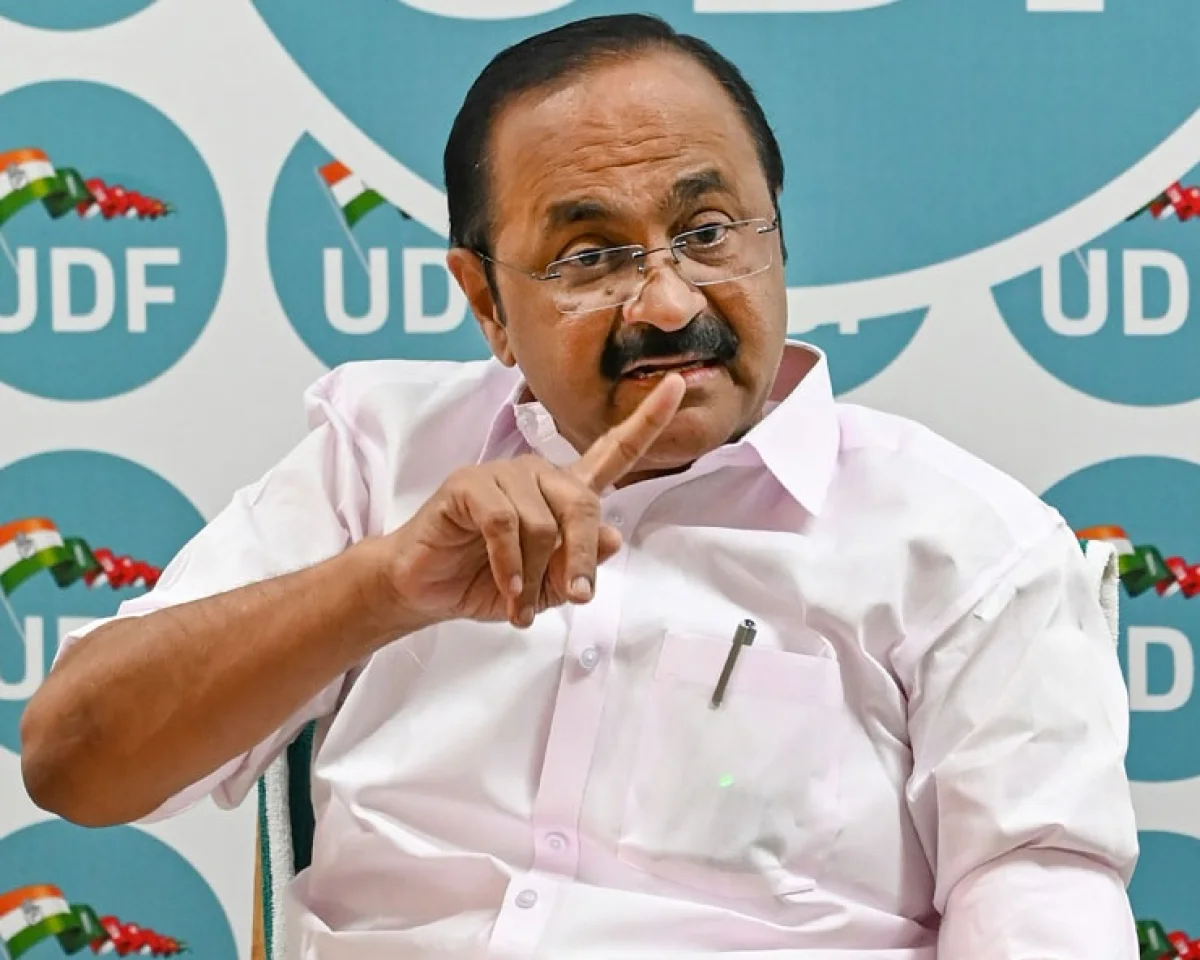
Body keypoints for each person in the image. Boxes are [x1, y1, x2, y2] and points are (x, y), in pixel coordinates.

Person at [20, 13, 1139, 959]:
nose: (668, 304)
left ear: (778, 238)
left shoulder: (966, 544)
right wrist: (382, 588)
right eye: (590, 257)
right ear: (486, 304)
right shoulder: (376, 459)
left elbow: (1040, 897)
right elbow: (76, 764)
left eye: (708, 232)